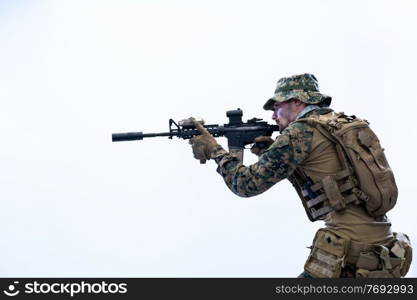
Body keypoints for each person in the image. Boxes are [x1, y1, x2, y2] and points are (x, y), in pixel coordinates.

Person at [188, 73, 412, 278]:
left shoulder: (300, 132)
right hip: (381, 249)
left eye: (277, 107)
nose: (274, 116)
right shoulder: (339, 124)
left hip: (349, 253)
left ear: (297, 101)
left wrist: (215, 151)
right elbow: (331, 174)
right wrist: (272, 154)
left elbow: (244, 184)